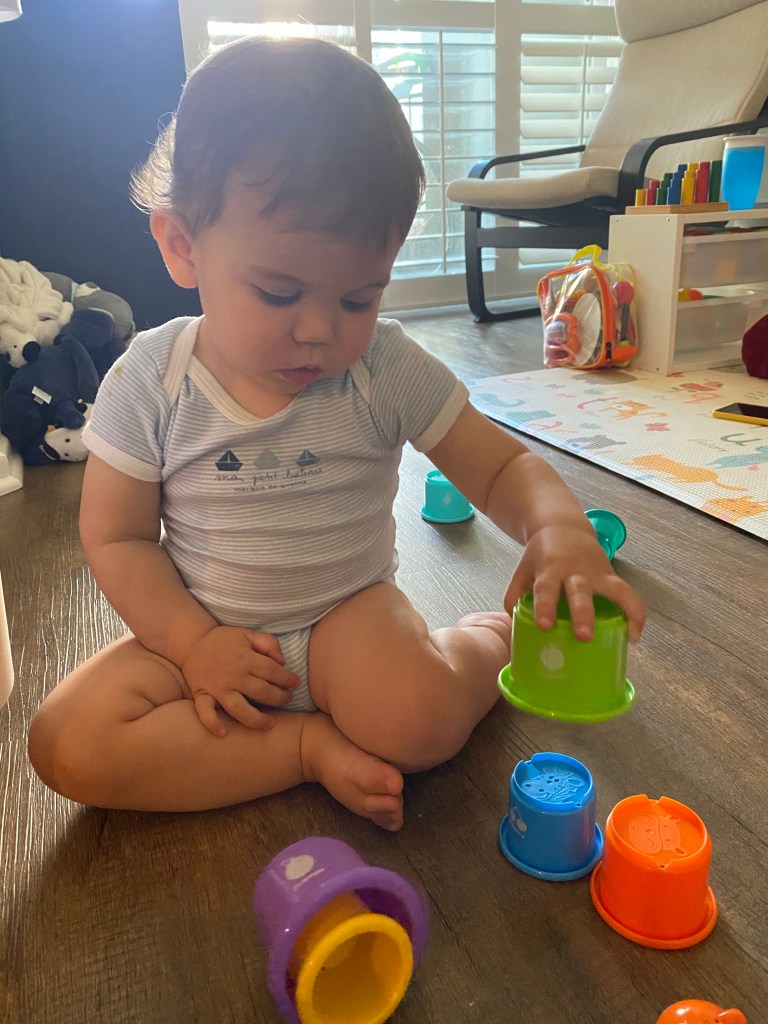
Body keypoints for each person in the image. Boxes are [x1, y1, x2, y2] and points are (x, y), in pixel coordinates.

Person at [27, 36, 645, 831]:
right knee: (67, 743)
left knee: (417, 724)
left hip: (346, 625)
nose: (320, 330)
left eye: (359, 298)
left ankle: (488, 645)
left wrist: (558, 529)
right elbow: (117, 539)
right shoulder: (151, 378)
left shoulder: (383, 367)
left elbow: (499, 470)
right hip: (201, 634)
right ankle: (303, 750)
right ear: (183, 246)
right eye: (279, 293)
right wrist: (193, 644)